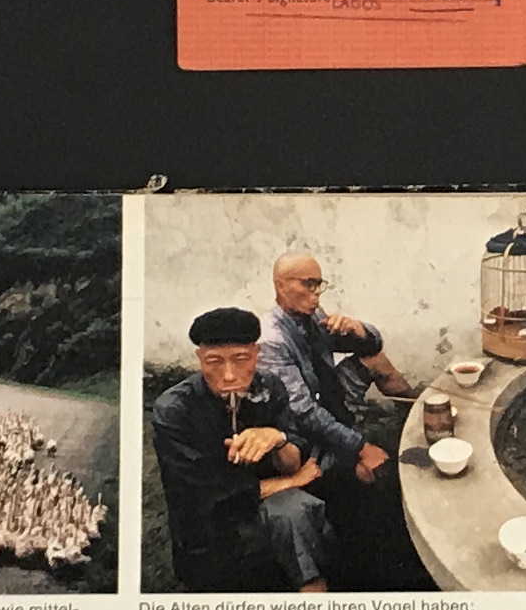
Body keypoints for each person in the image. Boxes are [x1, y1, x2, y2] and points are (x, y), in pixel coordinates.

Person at [260, 249, 420, 587]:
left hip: (329, 396)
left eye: (320, 284)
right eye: (309, 284)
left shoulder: (312, 315)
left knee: (374, 358)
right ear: (280, 285)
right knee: (371, 482)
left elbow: (371, 346)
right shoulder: (272, 341)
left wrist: (359, 330)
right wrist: (360, 447)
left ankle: (418, 413)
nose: (317, 293)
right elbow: (304, 414)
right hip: (302, 435)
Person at [150, 308, 330, 590]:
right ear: (200, 358)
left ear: (256, 354)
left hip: (267, 505)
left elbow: (294, 460)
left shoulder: (270, 386)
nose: (229, 375)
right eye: (214, 362)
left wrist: (277, 438)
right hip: (209, 526)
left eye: (241, 359)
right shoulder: (174, 409)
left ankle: (312, 588)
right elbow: (206, 495)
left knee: (295, 510)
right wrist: (292, 481)